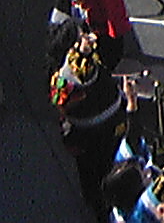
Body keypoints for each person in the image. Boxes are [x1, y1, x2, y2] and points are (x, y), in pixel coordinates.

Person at [48, 18, 131, 216]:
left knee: (92, 171)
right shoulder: (72, 74)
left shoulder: (66, 69)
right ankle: (105, 208)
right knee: (105, 170)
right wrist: (84, 52)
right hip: (99, 131)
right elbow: (82, 74)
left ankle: (98, 201)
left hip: (90, 130)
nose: (89, 38)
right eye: (81, 38)